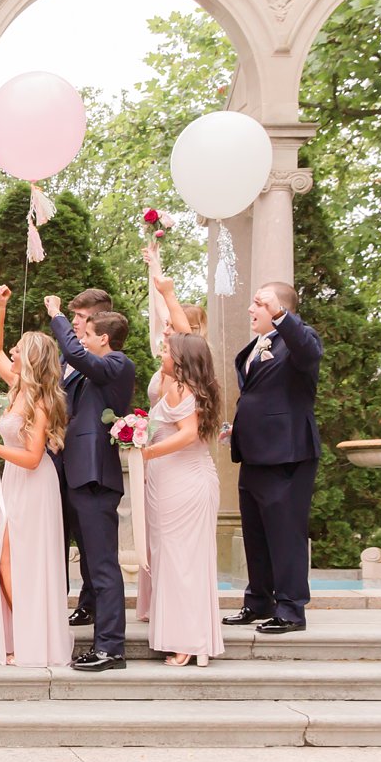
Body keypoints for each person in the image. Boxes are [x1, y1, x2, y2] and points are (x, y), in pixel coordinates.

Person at [43, 294, 137, 672]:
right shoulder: (88, 368)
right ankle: (97, 634)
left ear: (104, 338)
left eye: (88, 333)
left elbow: (77, 355)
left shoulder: (117, 363)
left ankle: (111, 648)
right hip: (75, 473)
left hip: (96, 474)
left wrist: (56, 316)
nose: (82, 339)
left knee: (102, 565)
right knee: (90, 564)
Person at [225, 282, 323, 635]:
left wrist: (282, 316)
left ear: (280, 309)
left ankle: (292, 609)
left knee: (285, 532)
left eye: (259, 303)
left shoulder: (300, 339)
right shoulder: (257, 346)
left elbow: (308, 352)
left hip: (287, 454)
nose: (252, 310)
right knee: (256, 533)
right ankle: (258, 601)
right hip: (253, 453)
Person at [0, 287, 71, 667]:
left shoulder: (42, 400)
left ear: (32, 358)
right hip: (13, 483)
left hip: (33, 484)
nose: (12, 353)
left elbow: (34, 458)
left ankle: (33, 635)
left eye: (20, 350)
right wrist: (0, 308)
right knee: (4, 558)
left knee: (20, 559)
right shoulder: (16, 385)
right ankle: (28, 631)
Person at [140, 333, 225, 666]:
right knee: (180, 561)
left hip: (183, 485)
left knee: (181, 562)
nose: (162, 353)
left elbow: (188, 434)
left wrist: (146, 451)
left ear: (182, 359)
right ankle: (186, 636)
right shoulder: (189, 386)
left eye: (167, 350)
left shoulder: (181, 388)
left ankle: (188, 642)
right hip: (183, 480)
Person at [137, 244, 208, 621]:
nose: (165, 331)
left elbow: (189, 432)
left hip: (179, 465)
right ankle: (161, 613)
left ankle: (184, 626)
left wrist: (167, 290)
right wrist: (156, 269)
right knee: (161, 545)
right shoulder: (170, 367)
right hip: (162, 464)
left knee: (180, 550)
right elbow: (167, 320)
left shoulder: (190, 367)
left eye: (173, 330)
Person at [53, 287, 114, 629]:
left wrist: (57, 318)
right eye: (72, 316)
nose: (75, 322)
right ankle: (52, 600)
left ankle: (90, 603)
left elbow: (79, 357)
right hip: (56, 459)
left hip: (87, 462)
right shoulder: (65, 358)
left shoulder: (106, 359)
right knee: (55, 533)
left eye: (81, 317)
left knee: (90, 541)